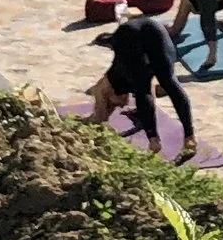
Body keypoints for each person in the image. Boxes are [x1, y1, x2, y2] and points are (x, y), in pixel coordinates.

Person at [85, 14, 198, 161]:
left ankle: (154, 141)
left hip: (144, 39)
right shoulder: (121, 53)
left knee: (142, 88)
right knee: (169, 83)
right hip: (157, 33)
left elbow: (140, 92)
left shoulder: (119, 61)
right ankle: (189, 138)